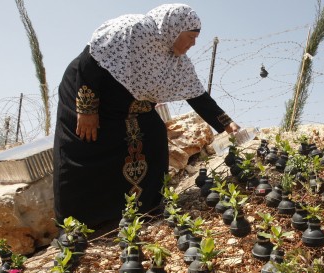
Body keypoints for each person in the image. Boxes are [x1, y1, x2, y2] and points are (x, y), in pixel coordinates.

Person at [53, 4, 239, 231]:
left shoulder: (176, 60)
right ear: (173, 29)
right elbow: (88, 63)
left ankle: (143, 208)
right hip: (88, 96)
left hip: (129, 108)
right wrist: (87, 109)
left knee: (152, 135)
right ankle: (79, 225)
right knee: (85, 149)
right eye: (190, 37)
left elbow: (197, 95)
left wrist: (226, 123)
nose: (193, 44)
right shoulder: (130, 30)